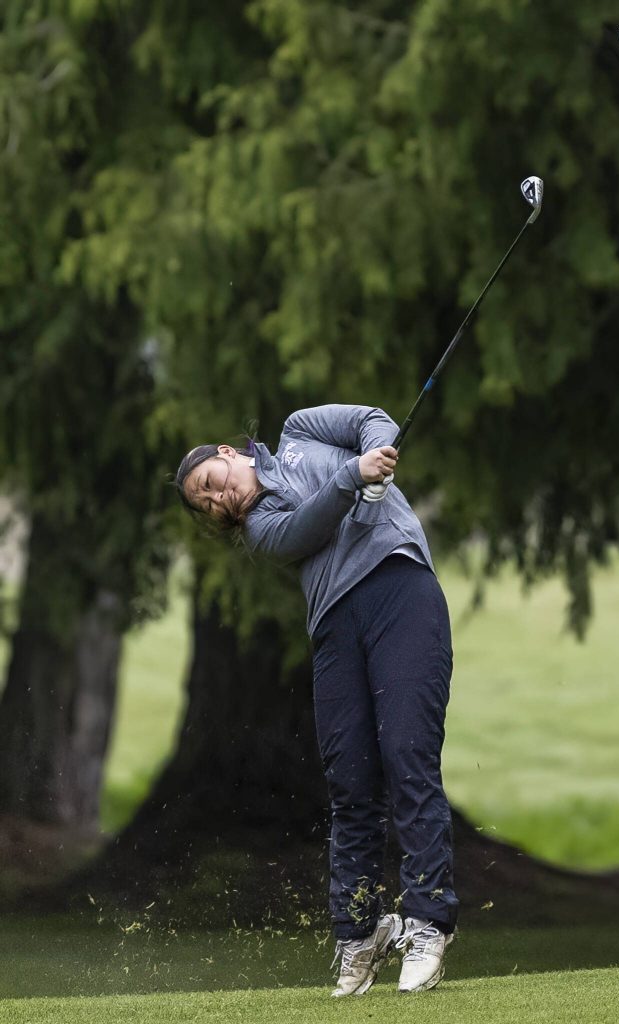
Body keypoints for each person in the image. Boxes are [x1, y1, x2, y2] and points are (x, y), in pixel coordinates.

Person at [175, 404, 458, 996]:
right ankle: (360, 933)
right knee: (351, 782)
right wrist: (354, 476)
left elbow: (372, 420)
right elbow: (309, 525)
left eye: (212, 484)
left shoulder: (301, 430)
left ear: (227, 453)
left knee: (407, 757)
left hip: (400, 589)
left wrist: (376, 457)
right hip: (335, 625)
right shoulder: (262, 528)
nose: (219, 500)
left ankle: (428, 924)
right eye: (208, 505)